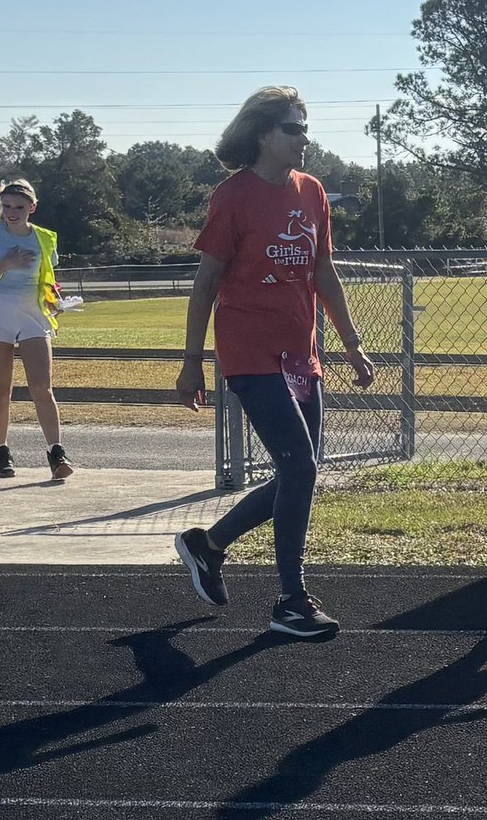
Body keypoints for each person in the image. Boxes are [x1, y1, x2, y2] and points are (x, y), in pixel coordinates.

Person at [174, 86, 374, 640]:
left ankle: (208, 544)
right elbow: (206, 283)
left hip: (299, 356)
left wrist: (351, 343)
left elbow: (324, 271)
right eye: (293, 128)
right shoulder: (233, 196)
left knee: (297, 472)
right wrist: (192, 362)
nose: (304, 138)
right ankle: (290, 600)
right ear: (263, 134)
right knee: (301, 468)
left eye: (305, 127)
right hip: (248, 353)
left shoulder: (312, 192)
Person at [0, 179, 73, 479]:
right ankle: (1, 450)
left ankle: (56, 452)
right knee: (1, 391)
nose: (11, 212)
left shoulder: (44, 238)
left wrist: (54, 301)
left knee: (42, 388)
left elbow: (46, 279)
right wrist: (5, 264)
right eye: (7, 206)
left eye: (19, 207)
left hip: (31, 316)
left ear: (31, 208)